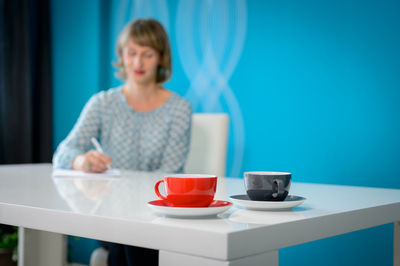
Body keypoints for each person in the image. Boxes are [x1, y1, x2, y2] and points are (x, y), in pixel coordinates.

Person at [53, 18, 192, 266]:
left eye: (147, 54)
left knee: (133, 235)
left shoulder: (179, 109)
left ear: (161, 58)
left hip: (155, 217)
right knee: (127, 235)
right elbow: (63, 153)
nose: (138, 63)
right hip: (111, 216)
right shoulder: (103, 103)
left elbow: (169, 175)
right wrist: (82, 160)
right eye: (132, 53)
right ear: (122, 55)